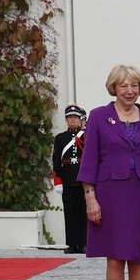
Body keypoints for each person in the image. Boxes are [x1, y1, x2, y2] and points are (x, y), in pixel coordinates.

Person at [77, 64, 140, 280]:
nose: (129, 90)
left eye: (134, 85)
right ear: (113, 88)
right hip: (109, 195)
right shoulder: (98, 116)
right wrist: (90, 198)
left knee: (139, 255)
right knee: (115, 256)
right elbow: (89, 161)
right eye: (123, 86)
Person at [52, 104, 87, 254]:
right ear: (66, 119)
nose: (73, 119)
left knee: (83, 213)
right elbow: (55, 161)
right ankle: (72, 244)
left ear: (80, 120)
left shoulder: (86, 136)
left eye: (75, 117)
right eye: (70, 117)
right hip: (67, 179)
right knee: (70, 213)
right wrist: (58, 181)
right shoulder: (60, 138)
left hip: (83, 180)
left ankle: (84, 243)